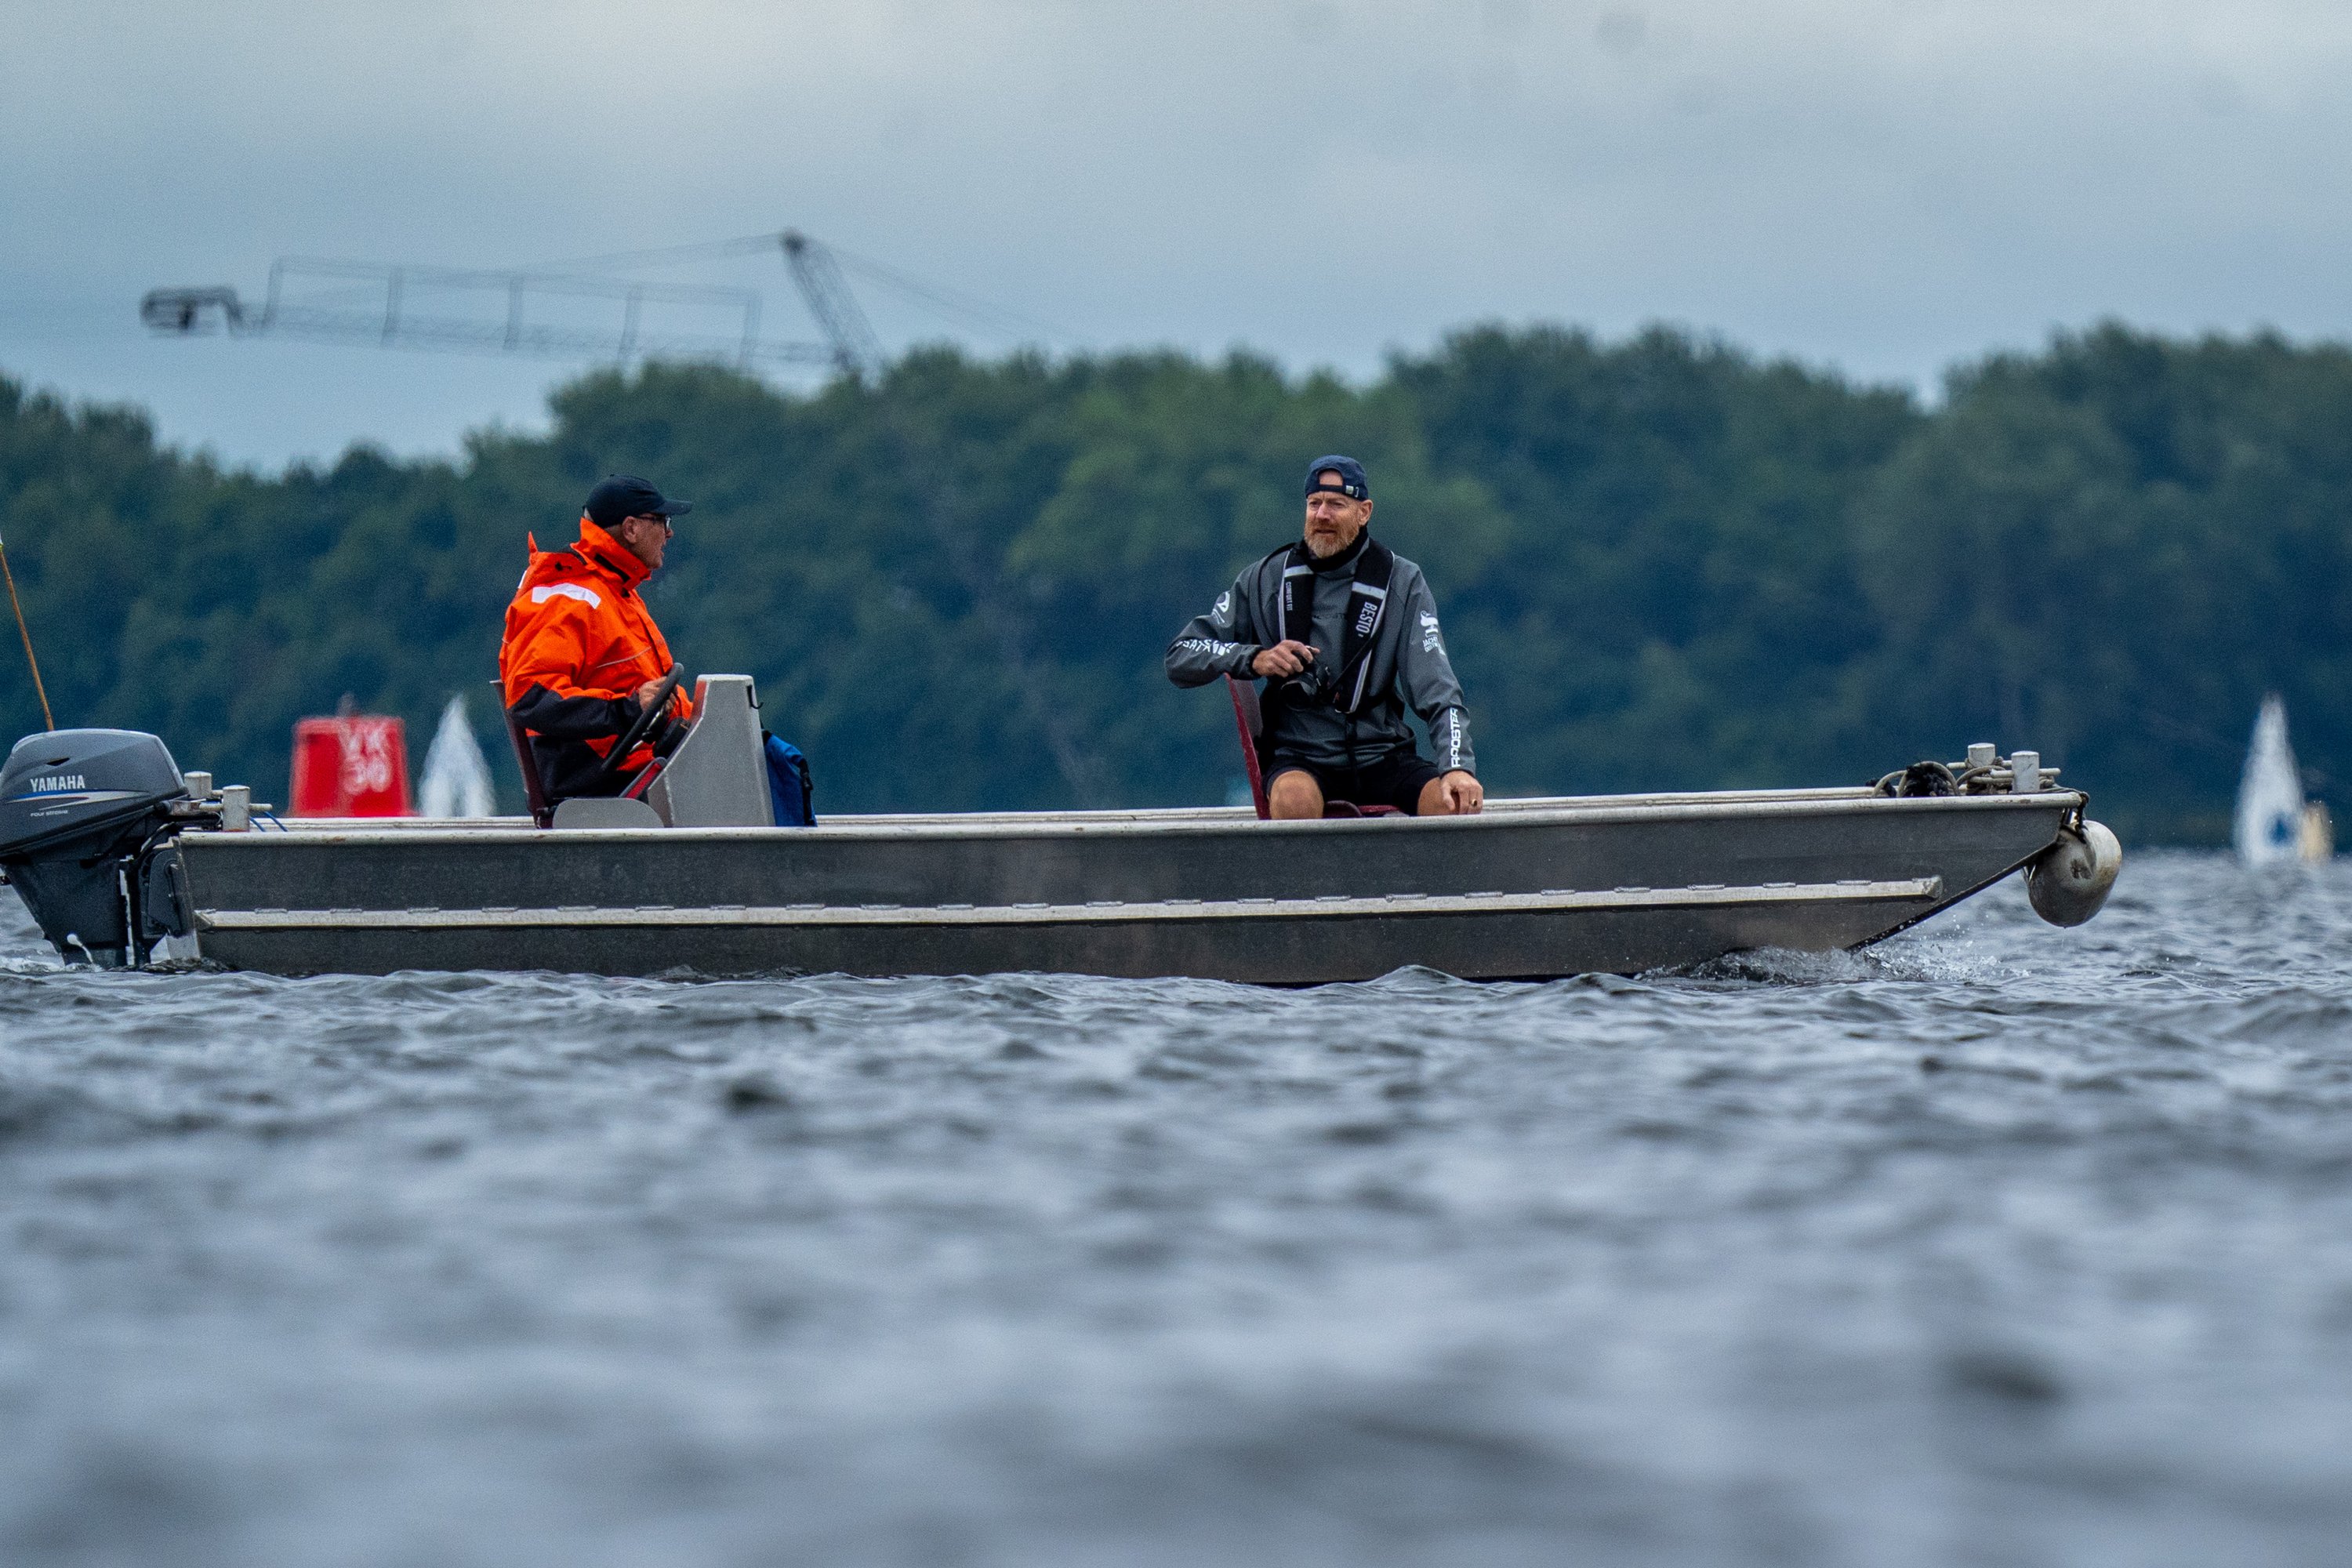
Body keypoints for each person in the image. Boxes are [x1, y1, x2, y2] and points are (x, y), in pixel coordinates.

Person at [1166, 456, 1484, 818]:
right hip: (1299, 759)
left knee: (1454, 804)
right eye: (1314, 503)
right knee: (1294, 801)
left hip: (1383, 754)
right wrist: (1256, 659)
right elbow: (1181, 655)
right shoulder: (1265, 579)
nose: (1322, 515)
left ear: (1364, 512)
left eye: (1336, 504)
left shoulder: (1403, 582)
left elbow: (1439, 689)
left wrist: (1457, 766)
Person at [500, 474, 698, 805]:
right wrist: (627, 708)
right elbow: (528, 697)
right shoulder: (570, 600)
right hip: (605, 784)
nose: (669, 533)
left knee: (758, 756)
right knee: (740, 783)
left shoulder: (616, 593)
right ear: (631, 529)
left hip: (636, 768)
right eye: (663, 521)